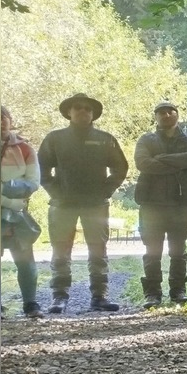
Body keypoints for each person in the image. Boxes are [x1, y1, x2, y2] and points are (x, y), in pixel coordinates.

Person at [38, 92, 129, 313]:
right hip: (62, 205)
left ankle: (99, 296)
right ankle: (59, 297)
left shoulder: (105, 139)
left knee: (98, 250)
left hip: (95, 204)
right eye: (77, 107)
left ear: (93, 114)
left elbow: (121, 168)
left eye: (88, 109)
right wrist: (56, 193)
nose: (83, 111)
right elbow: (41, 170)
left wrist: (105, 190)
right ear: (69, 112)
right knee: (61, 251)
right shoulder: (55, 138)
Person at [134, 100, 187, 308]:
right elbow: (143, 163)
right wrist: (174, 164)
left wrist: (161, 159)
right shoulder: (146, 140)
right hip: (151, 205)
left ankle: (178, 291)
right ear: (155, 116)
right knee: (152, 250)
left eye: (171, 111)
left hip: (180, 204)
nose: (166, 114)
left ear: (177, 115)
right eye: (161, 112)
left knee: (178, 250)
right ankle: (152, 294)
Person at [1, 106, 44, 319]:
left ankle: (30, 304)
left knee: (25, 258)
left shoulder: (25, 148)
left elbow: (33, 182)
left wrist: (4, 189)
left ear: (10, 120)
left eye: (2, 117)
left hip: (17, 212)